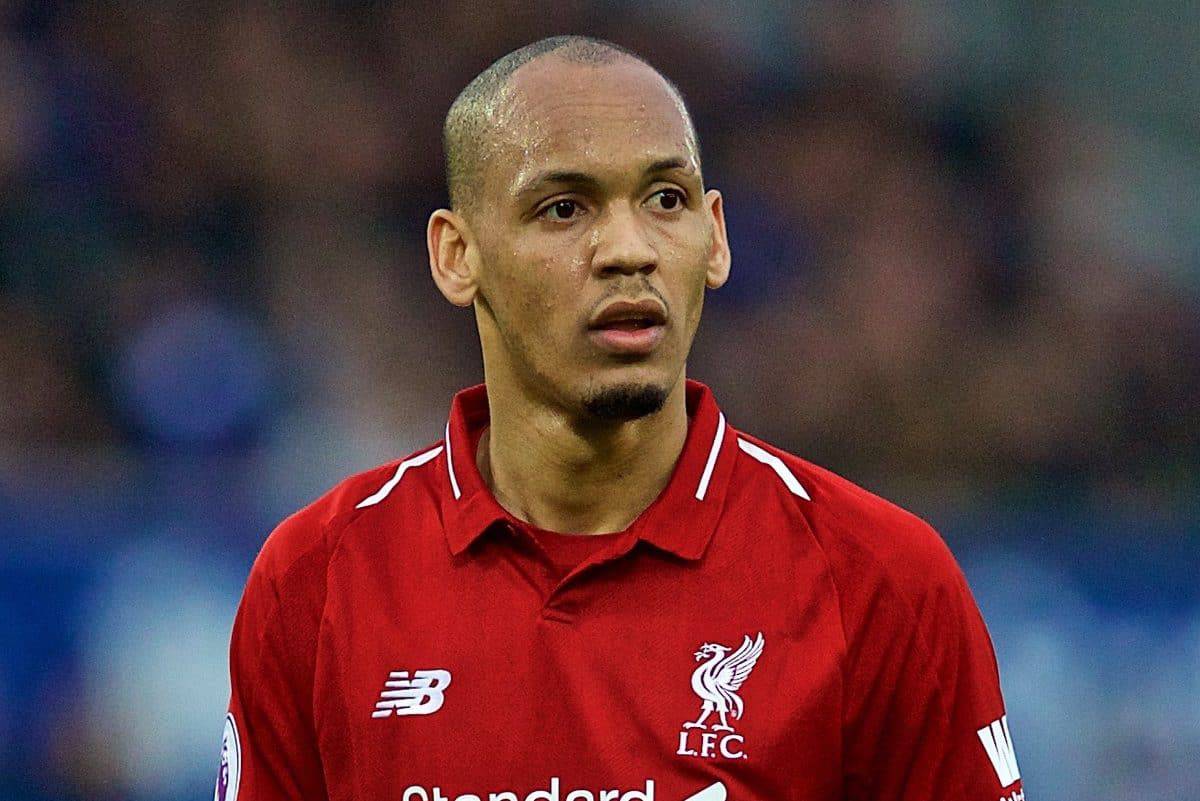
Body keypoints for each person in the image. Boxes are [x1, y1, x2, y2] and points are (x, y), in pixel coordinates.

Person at [217, 36, 1025, 801]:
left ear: (713, 238)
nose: (628, 248)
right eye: (565, 209)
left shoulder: (881, 581)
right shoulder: (317, 580)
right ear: (456, 255)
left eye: (664, 199)